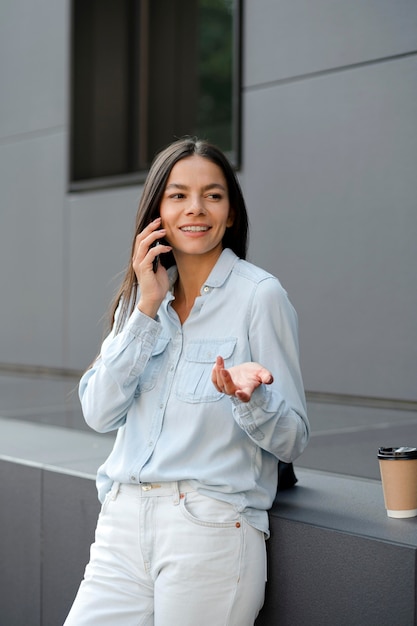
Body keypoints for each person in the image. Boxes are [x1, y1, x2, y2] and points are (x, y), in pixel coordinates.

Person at [64, 137, 310, 626]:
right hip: (121, 524)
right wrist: (146, 309)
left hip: (209, 526)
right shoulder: (143, 298)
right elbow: (98, 411)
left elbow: (294, 439)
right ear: (156, 210)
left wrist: (251, 397)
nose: (196, 209)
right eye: (178, 195)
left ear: (232, 213)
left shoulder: (260, 296)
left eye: (213, 195)